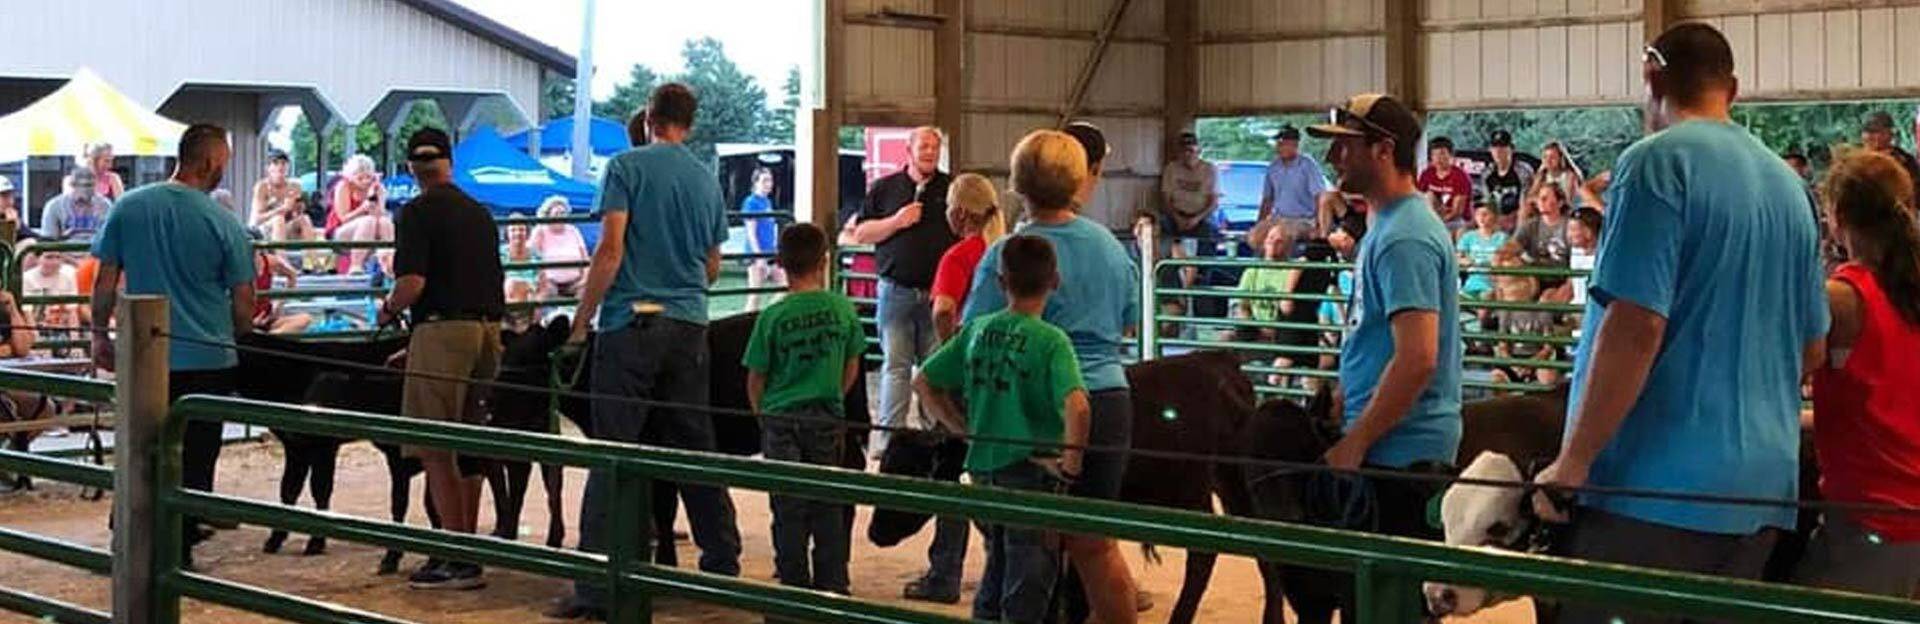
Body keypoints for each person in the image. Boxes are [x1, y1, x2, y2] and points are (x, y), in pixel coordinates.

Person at [1530, 24, 1829, 624]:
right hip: (1763, 490)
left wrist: (1574, 461)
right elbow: (1813, 349)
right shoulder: (1792, 189)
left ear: (1651, 77)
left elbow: (1635, 325)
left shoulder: (1653, 165)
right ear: (1734, 89)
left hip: (1654, 492)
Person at [552, 84, 742, 621]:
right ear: (690, 122)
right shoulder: (706, 179)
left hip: (630, 323)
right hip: (687, 325)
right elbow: (709, 267)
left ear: (651, 118)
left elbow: (610, 251)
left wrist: (580, 325)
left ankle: (596, 586)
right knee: (693, 447)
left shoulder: (625, 167)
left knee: (613, 451)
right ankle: (722, 565)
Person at [963, 127, 1138, 624]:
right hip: (1106, 397)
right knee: (1096, 544)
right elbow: (1128, 319)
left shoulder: (1008, 254)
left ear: (1018, 184)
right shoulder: (1108, 245)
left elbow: (975, 331)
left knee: (1024, 545)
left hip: (1030, 406)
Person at [1305, 92, 1461, 616]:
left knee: (1388, 606)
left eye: (1345, 147)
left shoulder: (1403, 238)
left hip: (1400, 453)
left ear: (1382, 149)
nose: (1334, 160)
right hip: (1395, 444)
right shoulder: (1387, 228)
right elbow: (1377, 337)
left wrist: (1357, 439)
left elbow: (1417, 357)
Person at [89, 124, 255, 567]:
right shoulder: (225, 222)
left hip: (145, 355)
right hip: (208, 356)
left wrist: (98, 334)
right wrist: (238, 334)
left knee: (139, 447)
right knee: (196, 455)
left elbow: (105, 280)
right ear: (209, 163)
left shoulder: (129, 206)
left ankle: (126, 536)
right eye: (224, 163)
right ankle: (176, 552)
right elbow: (243, 301)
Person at [919, 234, 1088, 624]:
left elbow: (924, 382)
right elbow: (1077, 405)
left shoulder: (977, 328)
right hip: (1033, 470)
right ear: (1055, 281)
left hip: (984, 469)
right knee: (1028, 581)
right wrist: (1071, 467)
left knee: (996, 567)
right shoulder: (1051, 341)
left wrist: (962, 428)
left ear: (1000, 282)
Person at [374, 128, 505, 590]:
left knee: (433, 444)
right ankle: (471, 547)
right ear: (449, 162)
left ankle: (454, 555)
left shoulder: (417, 212)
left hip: (442, 329)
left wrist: (386, 311)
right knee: (468, 441)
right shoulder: (479, 214)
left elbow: (413, 283)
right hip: (488, 332)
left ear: (412, 168)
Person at [1795, 150, 1920, 598]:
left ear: (1838, 215)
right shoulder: (1906, 288)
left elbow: (1789, 372)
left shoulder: (1842, 298)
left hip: (1874, 517)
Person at [900, 171, 1007, 604]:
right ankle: (1000, 566)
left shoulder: (960, 256)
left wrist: (953, 353)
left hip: (965, 383)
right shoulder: (1005, 251)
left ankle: (945, 573)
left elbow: (944, 310)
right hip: (1003, 379)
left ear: (960, 213)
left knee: (952, 474)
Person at [742, 222, 865, 595]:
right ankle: (833, 583)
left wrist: (763, 415)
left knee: (788, 504)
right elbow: (852, 363)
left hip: (781, 417)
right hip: (826, 415)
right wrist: (835, 395)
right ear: (825, 261)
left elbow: (756, 376)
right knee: (827, 501)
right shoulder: (841, 308)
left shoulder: (772, 316)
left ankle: (792, 584)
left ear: (780, 264)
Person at [846, 126, 958, 457]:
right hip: (896, 291)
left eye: (935, 147)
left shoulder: (950, 189)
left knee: (933, 369)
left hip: (937, 295)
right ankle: (888, 442)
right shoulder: (884, 189)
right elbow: (861, 233)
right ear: (908, 151)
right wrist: (896, 221)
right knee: (896, 365)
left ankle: (933, 440)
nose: (929, 152)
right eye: (923, 146)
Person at [1254, 125, 1328, 252]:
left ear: (1295, 144)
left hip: (1303, 220)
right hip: (1278, 218)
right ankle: (1260, 268)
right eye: (1279, 142)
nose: (1280, 146)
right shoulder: (1273, 167)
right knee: (1255, 237)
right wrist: (1259, 224)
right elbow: (1267, 199)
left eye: (1284, 142)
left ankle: (1285, 268)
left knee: (1284, 235)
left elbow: (1319, 196)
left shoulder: (1307, 165)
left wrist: (1319, 225)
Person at [1160, 131, 1219, 288]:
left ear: (1198, 151)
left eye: (1191, 150)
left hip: (1201, 217)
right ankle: (1166, 274)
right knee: (1161, 227)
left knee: (1210, 232)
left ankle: (1201, 278)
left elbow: (1213, 201)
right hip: (1176, 215)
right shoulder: (1171, 169)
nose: (1188, 154)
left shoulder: (1209, 169)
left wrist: (1197, 218)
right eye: (1184, 150)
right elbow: (1166, 198)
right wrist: (1177, 216)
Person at [327, 154, 392, 274]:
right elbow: (343, 219)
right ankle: (356, 265)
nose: (365, 181)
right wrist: (362, 208)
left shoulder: (377, 188)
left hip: (371, 230)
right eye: (360, 178)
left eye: (368, 177)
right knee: (368, 221)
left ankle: (388, 262)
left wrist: (376, 197)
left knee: (385, 222)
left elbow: (380, 215)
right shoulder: (343, 186)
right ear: (351, 176)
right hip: (341, 232)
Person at [21, 247, 82, 357]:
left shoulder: (69, 274)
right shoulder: (27, 278)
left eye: (58, 257)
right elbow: (27, 314)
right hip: (37, 329)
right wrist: (38, 342)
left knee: (75, 353)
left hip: (61, 330)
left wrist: (75, 343)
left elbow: (72, 312)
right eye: (49, 257)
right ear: (38, 259)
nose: (54, 262)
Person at [252, 151, 319, 247]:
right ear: (268, 168)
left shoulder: (295, 186)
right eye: (275, 163)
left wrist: (298, 207)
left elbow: (297, 214)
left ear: (288, 167)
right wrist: (282, 208)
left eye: (283, 163)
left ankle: (312, 258)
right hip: (266, 230)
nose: (280, 166)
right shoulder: (262, 187)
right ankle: (282, 259)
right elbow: (258, 219)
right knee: (278, 219)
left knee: (305, 218)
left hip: (287, 227)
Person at [528, 196, 590, 298]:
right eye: (557, 213)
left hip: (575, 281)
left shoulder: (573, 230)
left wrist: (584, 279)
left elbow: (585, 258)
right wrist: (542, 280)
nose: (560, 217)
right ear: (548, 215)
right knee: (544, 292)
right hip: (549, 282)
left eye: (563, 213)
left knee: (587, 290)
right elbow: (533, 257)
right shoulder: (540, 231)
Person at [741, 167, 784, 311]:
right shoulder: (751, 202)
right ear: (755, 183)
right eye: (764, 180)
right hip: (757, 254)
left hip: (770, 252)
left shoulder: (767, 202)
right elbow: (751, 232)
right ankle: (746, 325)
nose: (768, 184)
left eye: (770, 180)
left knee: (786, 286)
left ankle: (766, 315)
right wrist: (758, 256)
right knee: (755, 295)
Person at [1416, 136, 1473, 232]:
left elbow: (1457, 212)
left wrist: (1438, 223)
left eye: (1442, 154)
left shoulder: (1461, 176)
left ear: (1451, 155)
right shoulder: (1427, 173)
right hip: (1433, 217)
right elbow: (1419, 199)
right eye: (1434, 154)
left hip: (1456, 221)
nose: (1438, 158)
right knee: (1429, 195)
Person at [1861, 111, 1920, 202]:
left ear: (1891, 134)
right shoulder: (1854, 162)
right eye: (1871, 132)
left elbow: (1916, 192)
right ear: (1862, 136)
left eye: (1882, 132)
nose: (1877, 137)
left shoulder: (1905, 160)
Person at [41, 167, 111, 242]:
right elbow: (48, 239)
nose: (88, 190)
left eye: (91, 185)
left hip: (96, 250)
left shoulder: (105, 205)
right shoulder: (54, 206)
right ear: (72, 185)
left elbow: (111, 236)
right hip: (64, 250)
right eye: (84, 185)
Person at [1480, 129, 1534, 225]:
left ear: (1511, 149)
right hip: (1496, 219)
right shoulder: (1487, 173)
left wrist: (1510, 219)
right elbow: (1488, 203)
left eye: (1503, 147)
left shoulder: (1523, 172)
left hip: (1519, 218)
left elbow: (1527, 205)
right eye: (1495, 147)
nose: (1498, 151)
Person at [1456, 203, 1509, 300]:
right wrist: (1466, 261)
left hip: (1493, 280)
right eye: (1478, 214)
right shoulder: (1468, 236)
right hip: (1472, 279)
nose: (1481, 218)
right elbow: (1457, 257)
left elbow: (1505, 259)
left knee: (1486, 298)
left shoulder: (1502, 237)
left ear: (1494, 216)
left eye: (1485, 214)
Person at [1529, 141, 1585, 209]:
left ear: (1561, 159)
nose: (1548, 160)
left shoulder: (1569, 176)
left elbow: (1568, 201)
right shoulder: (1541, 175)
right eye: (1545, 157)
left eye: (1552, 157)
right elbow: (1531, 196)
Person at [0, 176, 20, 242]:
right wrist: (10, 228)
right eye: (4, 196)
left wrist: (14, 226)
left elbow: (35, 239)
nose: (10, 201)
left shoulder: (8, 216)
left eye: (11, 196)